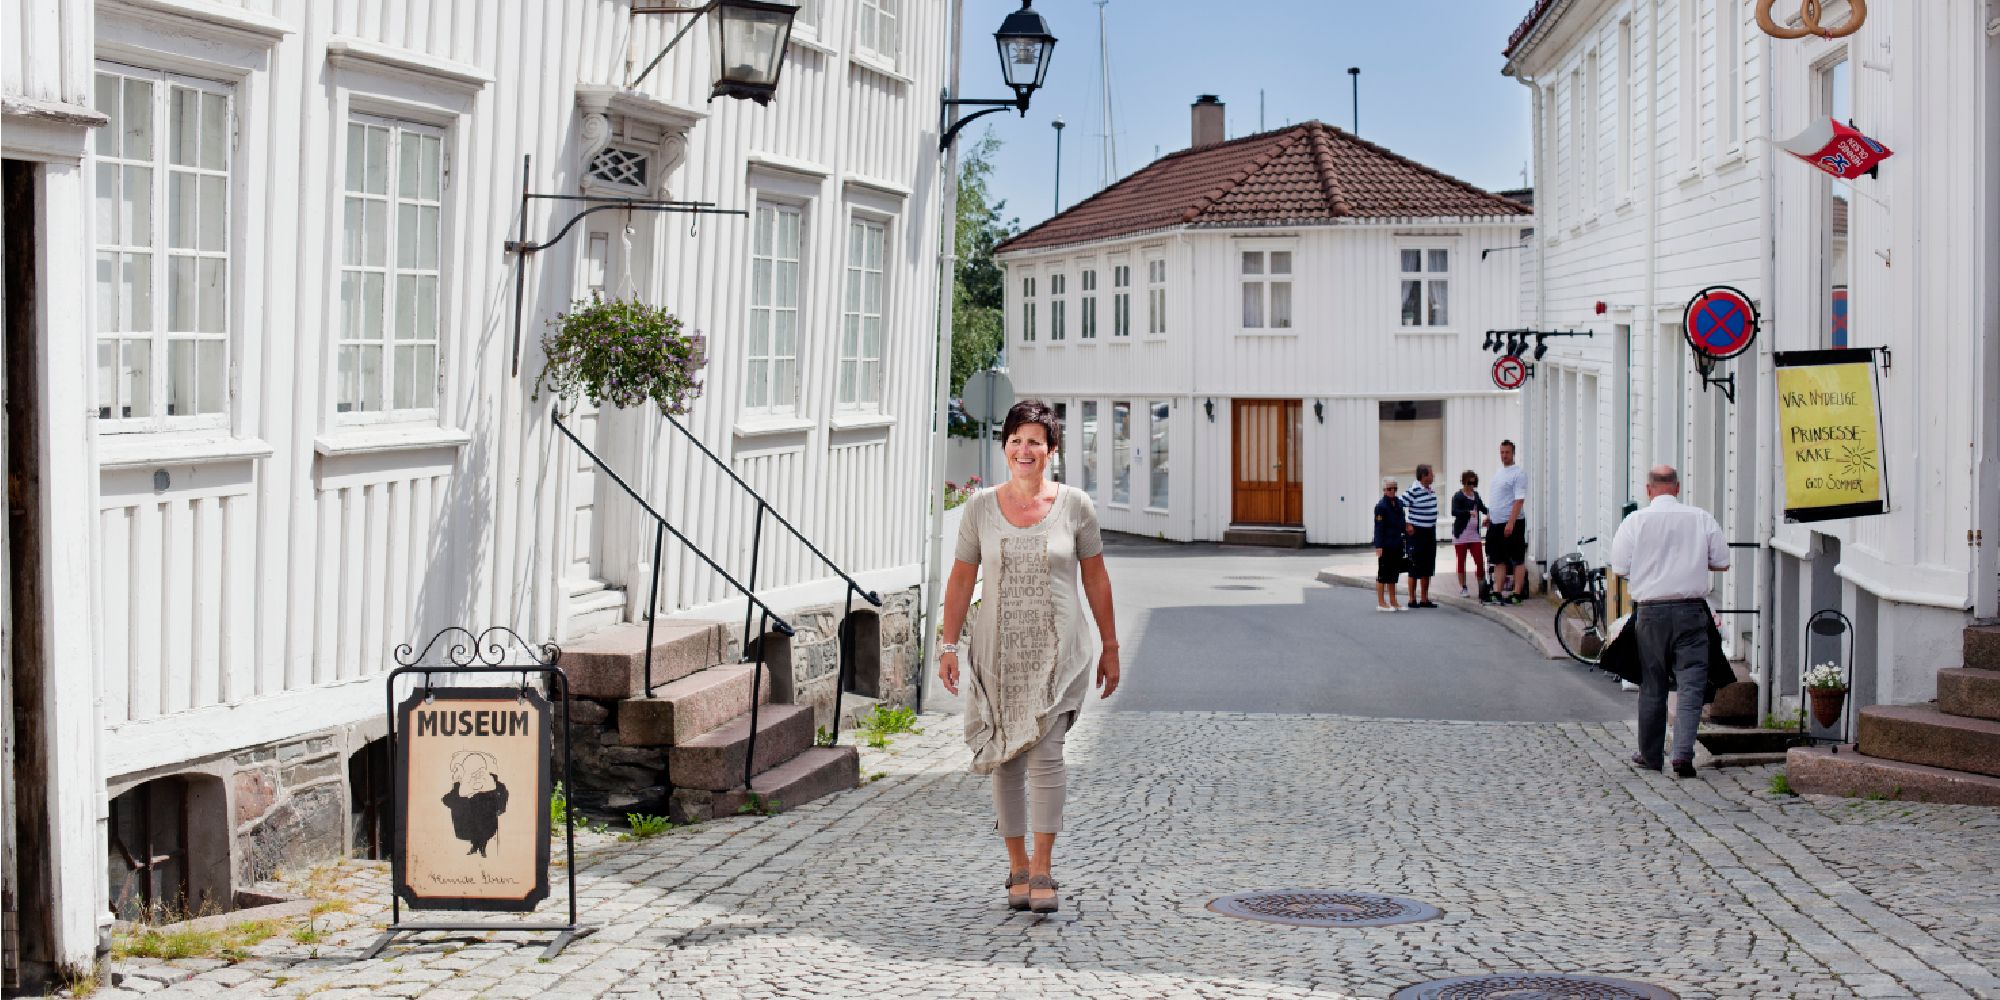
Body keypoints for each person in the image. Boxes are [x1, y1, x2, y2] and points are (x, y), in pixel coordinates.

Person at [937, 399, 1121, 915]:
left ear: (1052, 449)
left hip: (1060, 654)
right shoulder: (979, 508)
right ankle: (1016, 865)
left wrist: (1110, 646)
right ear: (1005, 447)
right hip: (998, 654)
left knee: (1046, 757)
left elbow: (1096, 579)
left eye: (1034, 441)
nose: (1024, 450)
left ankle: (1043, 866)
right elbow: (960, 580)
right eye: (1015, 440)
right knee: (1006, 760)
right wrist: (949, 647)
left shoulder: (1076, 506)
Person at [1610, 465, 1730, 778]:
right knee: (1691, 685)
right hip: (1691, 611)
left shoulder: (1635, 521)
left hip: (1651, 612)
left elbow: (1620, 566)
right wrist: (1689, 561)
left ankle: (1651, 756)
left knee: (1653, 684)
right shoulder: (1700, 517)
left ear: (1649, 490)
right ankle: (1682, 756)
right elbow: (1722, 561)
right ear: (1677, 487)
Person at [1485, 440, 1530, 604]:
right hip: (1496, 523)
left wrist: (1511, 523)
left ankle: (1517, 592)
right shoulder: (1498, 473)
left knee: (1517, 558)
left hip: (1513, 522)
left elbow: (1519, 500)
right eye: (1502, 452)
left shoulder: (1518, 474)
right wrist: (1490, 516)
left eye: (1507, 452)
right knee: (1498, 559)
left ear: (1513, 453)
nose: (1504, 455)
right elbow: (1496, 497)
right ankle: (1497, 590)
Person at [1401, 465, 1440, 608]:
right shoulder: (1413, 490)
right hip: (1417, 533)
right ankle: (1412, 599)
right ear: (1424, 476)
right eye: (1431, 473)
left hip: (1430, 531)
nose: (1433, 475)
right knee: (1414, 565)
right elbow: (1399, 506)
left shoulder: (1431, 489)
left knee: (1428, 565)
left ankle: (1424, 598)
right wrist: (1406, 524)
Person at [1450, 470, 1488, 598]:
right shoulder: (1458, 496)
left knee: (1479, 560)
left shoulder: (1476, 495)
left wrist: (1491, 513)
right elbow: (1454, 511)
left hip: (1474, 535)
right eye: (1470, 482)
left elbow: (1482, 507)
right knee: (1461, 561)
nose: (1472, 484)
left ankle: (1481, 587)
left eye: (1474, 482)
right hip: (1461, 534)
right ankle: (1463, 587)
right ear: (1464, 482)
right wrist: (1468, 512)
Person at [1372, 477, 1406, 612]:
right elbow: (1378, 527)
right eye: (1389, 489)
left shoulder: (1398, 504)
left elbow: (1402, 523)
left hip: (1397, 543)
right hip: (1386, 544)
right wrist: (1378, 546)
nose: (1392, 491)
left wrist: (1407, 528)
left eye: (1395, 488)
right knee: (1383, 574)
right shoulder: (1381, 506)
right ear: (1384, 490)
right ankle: (1381, 602)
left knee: (1393, 574)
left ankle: (1393, 601)